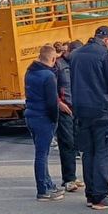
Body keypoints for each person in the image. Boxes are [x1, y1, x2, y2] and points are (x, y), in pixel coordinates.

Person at [69, 26, 108, 210]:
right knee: (102, 151)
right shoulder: (105, 55)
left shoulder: (76, 54)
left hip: (81, 109)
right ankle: (100, 194)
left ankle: (91, 193)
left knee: (88, 152)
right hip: (102, 109)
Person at [25, 45, 64, 202]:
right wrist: (55, 119)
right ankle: (42, 189)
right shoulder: (48, 76)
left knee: (41, 153)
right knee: (42, 155)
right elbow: (51, 102)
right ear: (53, 58)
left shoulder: (29, 72)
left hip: (31, 114)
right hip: (43, 117)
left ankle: (47, 183)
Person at [53, 41, 80, 191]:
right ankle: (68, 178)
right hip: (64, 108)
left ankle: (73, 176)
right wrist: (59, 103)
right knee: (67, 143)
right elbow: (50, 86)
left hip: (78, 108)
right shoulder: (58, 65)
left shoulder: (79, 64)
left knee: (76, 143)